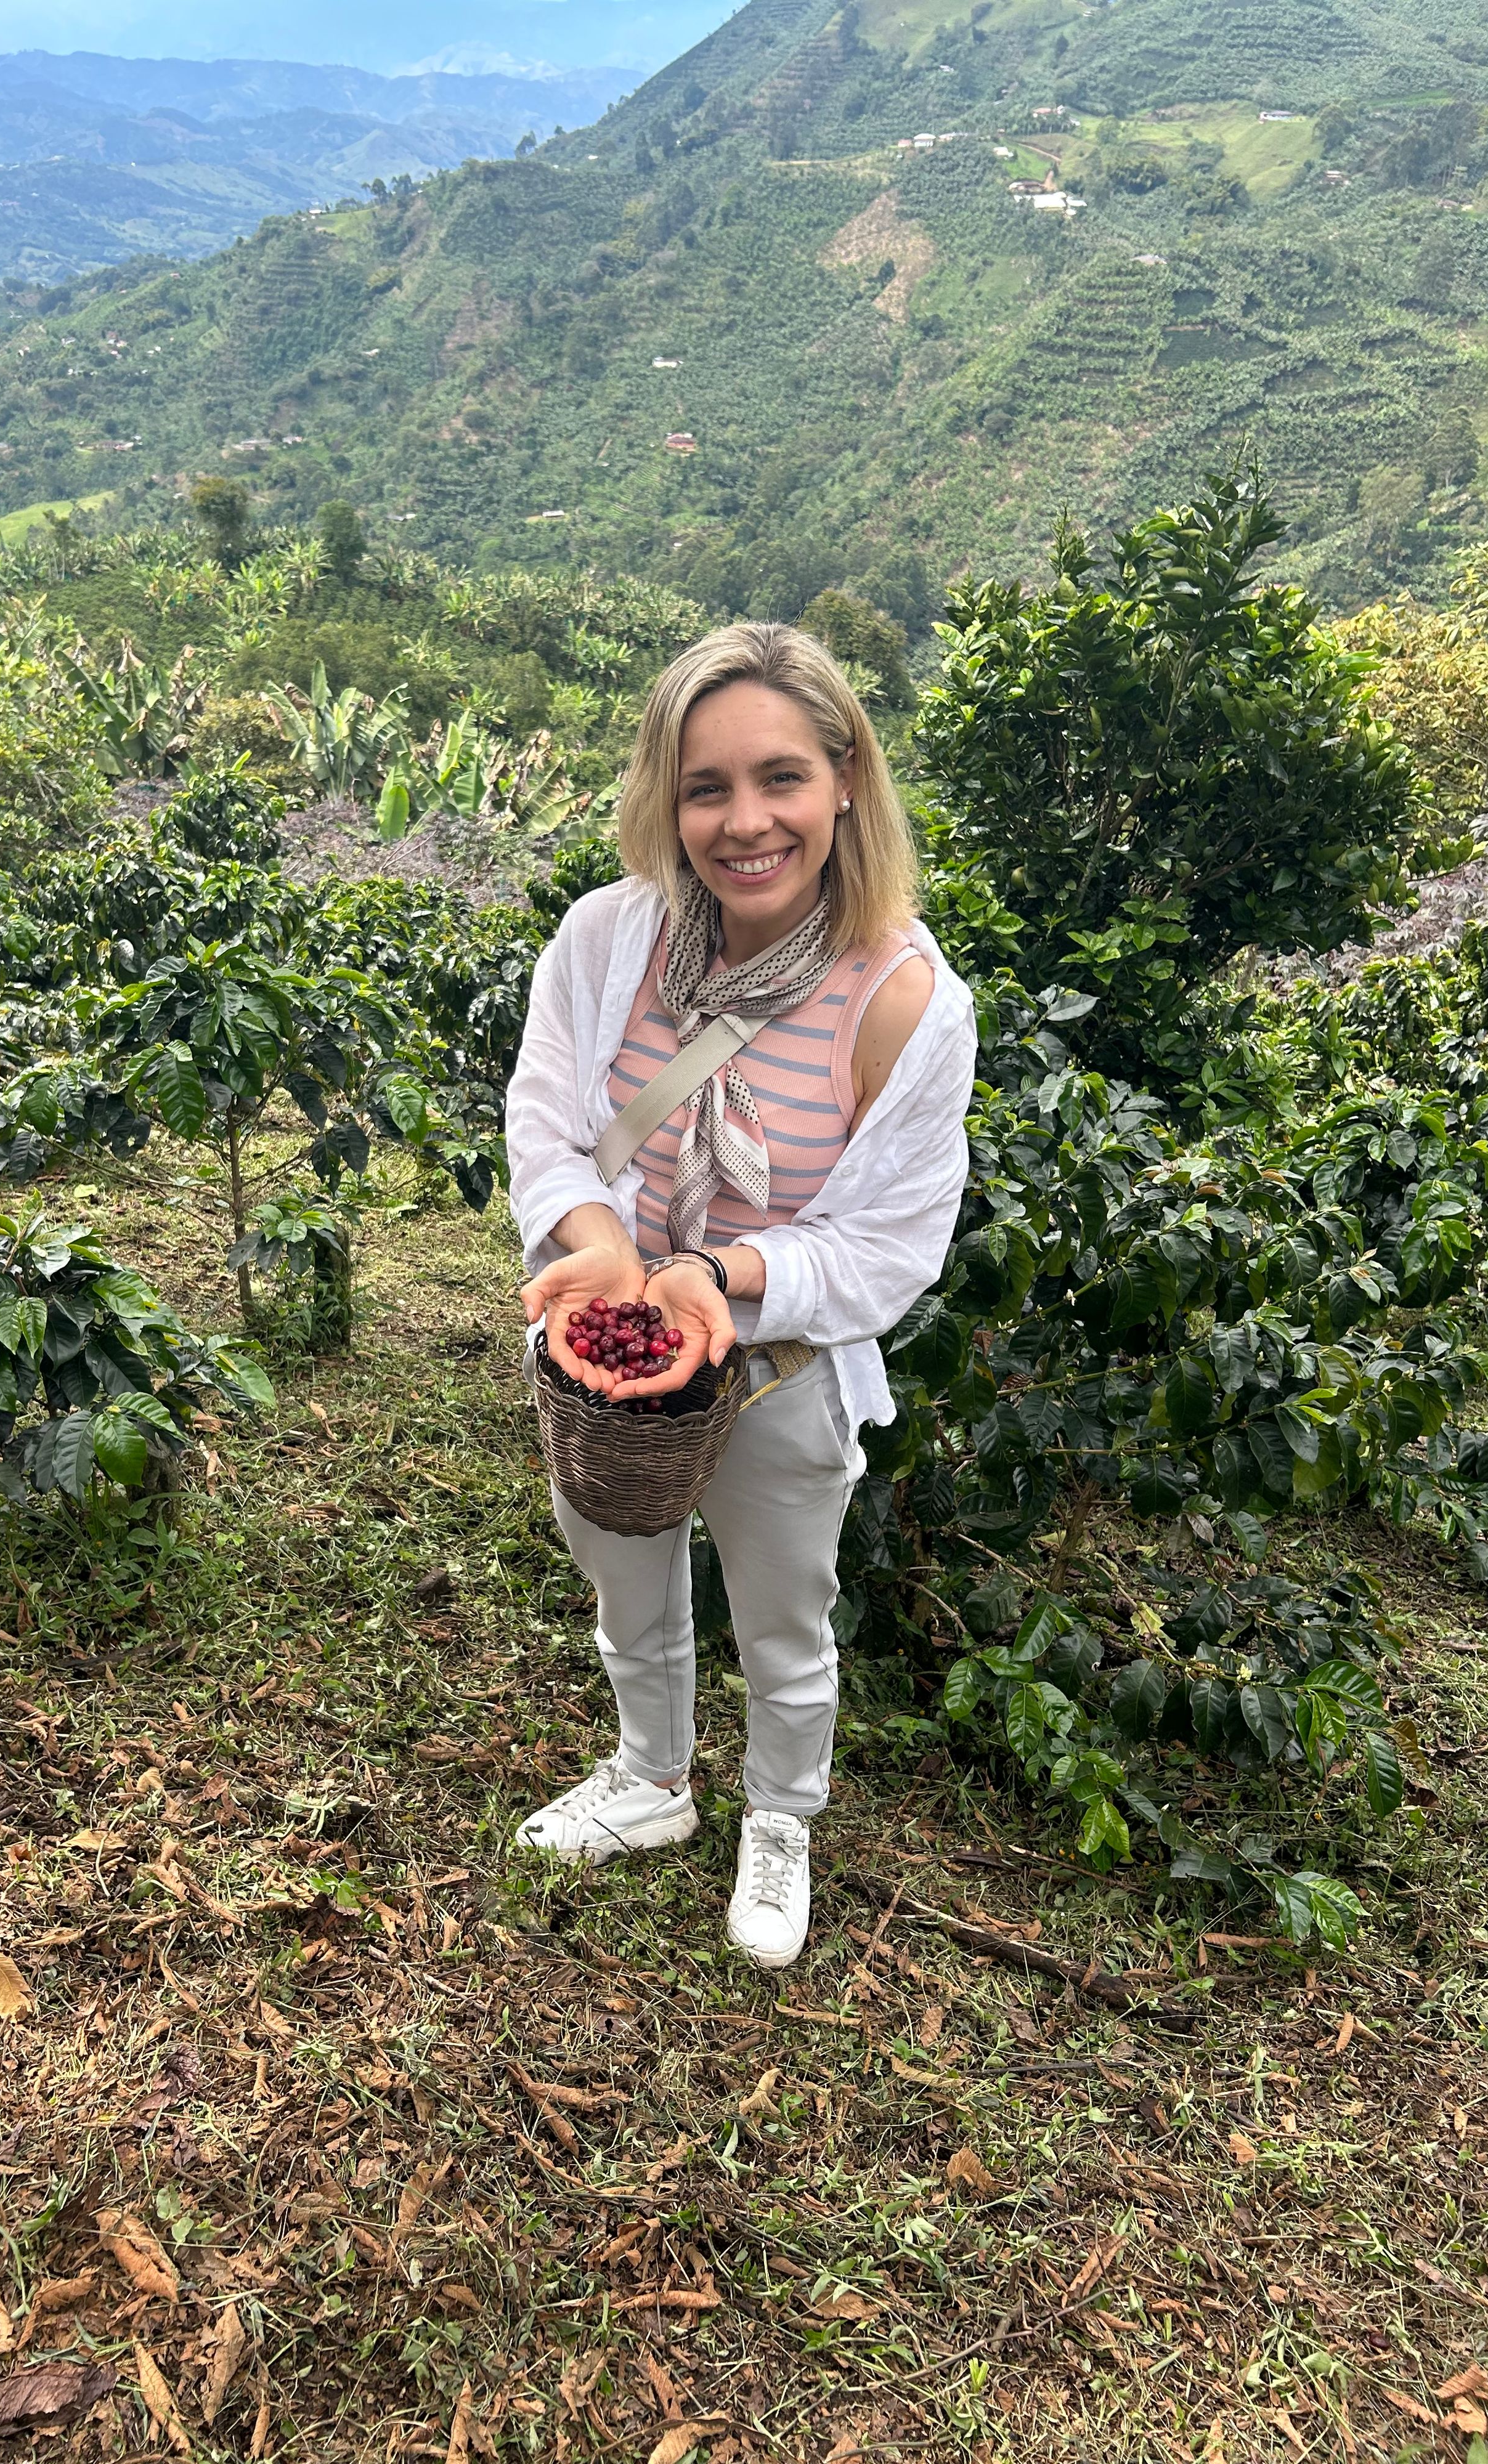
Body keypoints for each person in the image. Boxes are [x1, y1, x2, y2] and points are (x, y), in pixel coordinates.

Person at [504, 621, 977, 1968]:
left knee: (784, 1611)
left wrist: (724, 1274)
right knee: (625, 1573)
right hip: (612, 1370)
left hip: (778, 1369)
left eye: (781, 777)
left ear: (844, 779)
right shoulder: (609, 941)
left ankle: (783, 1815)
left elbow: (890, 1243)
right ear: (665, 795)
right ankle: (652, 1778)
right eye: (705, 786)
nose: (745, 820)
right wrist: (599, 1247)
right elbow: (545, 1123)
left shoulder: (905, 999)